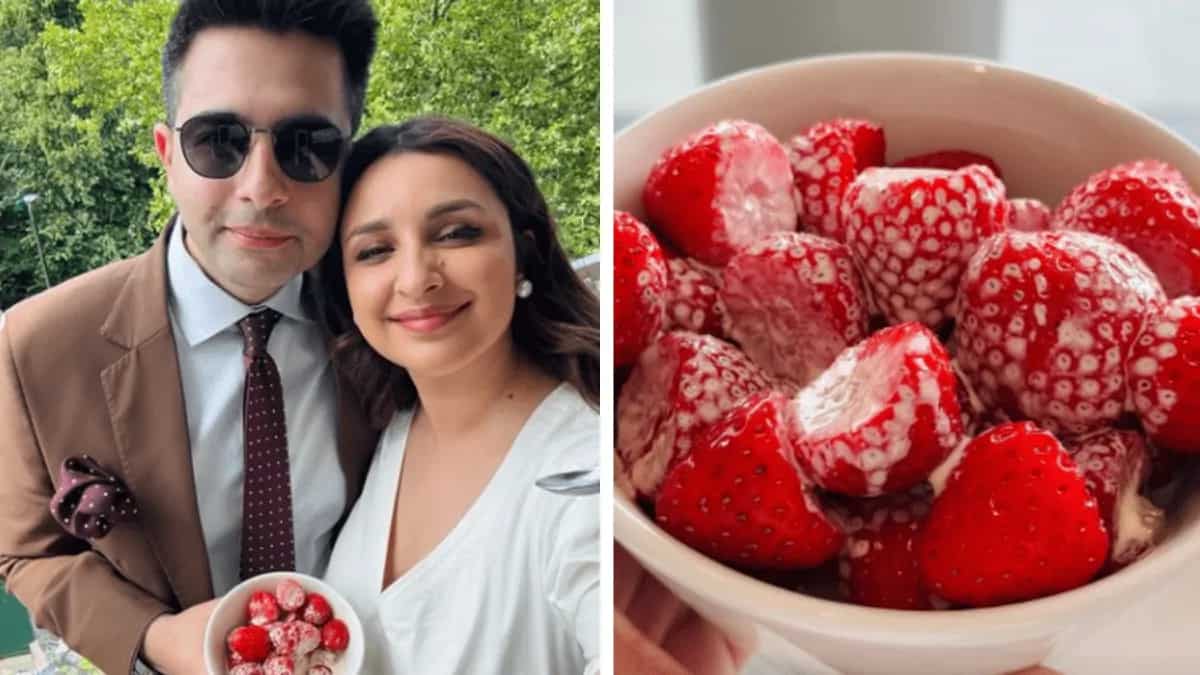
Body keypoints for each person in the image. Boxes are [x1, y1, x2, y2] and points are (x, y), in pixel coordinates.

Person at [0, 1, 379, 673]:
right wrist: (151, 635)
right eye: (219, 140)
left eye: (307, 147)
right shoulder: (38, 346)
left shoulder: (390, 311)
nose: (262, 188)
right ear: (167, 153)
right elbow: (26, 551)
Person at [319, 116, 601, 673]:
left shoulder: (581, 476)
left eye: (455, 234)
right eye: (375, 250)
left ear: (524, 252)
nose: (416, 278)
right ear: (344, 285)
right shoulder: (386, 427)